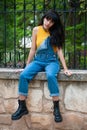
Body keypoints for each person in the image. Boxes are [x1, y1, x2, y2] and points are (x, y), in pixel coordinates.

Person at [11, 10, 72, 122]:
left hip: (51, 62)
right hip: (38, 61)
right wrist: (26, 66)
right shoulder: (36, 30)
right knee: (24, 75)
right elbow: (33, 49)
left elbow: (59, 52)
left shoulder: (55, 33)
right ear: (44, 18)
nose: (48, 22)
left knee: (50, 75)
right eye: (47, 19)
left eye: (52, 22)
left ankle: (56, 108)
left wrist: (66, 69)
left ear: (54, 24)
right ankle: (22, 106)